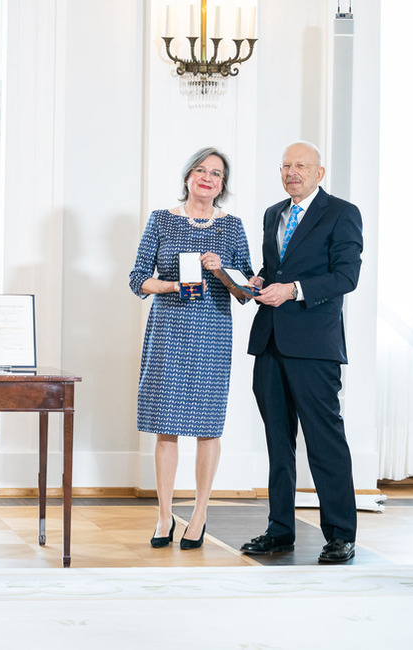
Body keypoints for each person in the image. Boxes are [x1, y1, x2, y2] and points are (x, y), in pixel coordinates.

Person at [240, 141, 362, 563]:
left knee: (325, 441)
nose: (292, 172)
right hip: (270, 342)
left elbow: (346, 277)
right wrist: (257, 280)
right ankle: (280, 530)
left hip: (314, 347)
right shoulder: (274, 213)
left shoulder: (342, 213)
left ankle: (341, 534)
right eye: (286, 165)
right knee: (278, 442)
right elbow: (276, 268)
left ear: (319, 173)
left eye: (301, 165)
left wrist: (293, 291)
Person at [129, 147, 253, 549]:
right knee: (166, 427)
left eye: (216, 174)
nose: (207, 178)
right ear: (187, 177)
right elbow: (137, 280)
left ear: (222, 186)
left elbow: (248, 288)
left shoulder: (232, 228)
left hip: (213, 332)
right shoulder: (162, 220)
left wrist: (222, 270)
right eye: (201, 170)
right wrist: (172, 285)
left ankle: (199, 513)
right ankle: (165, 515)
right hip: (167, 330)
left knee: (207, 428)